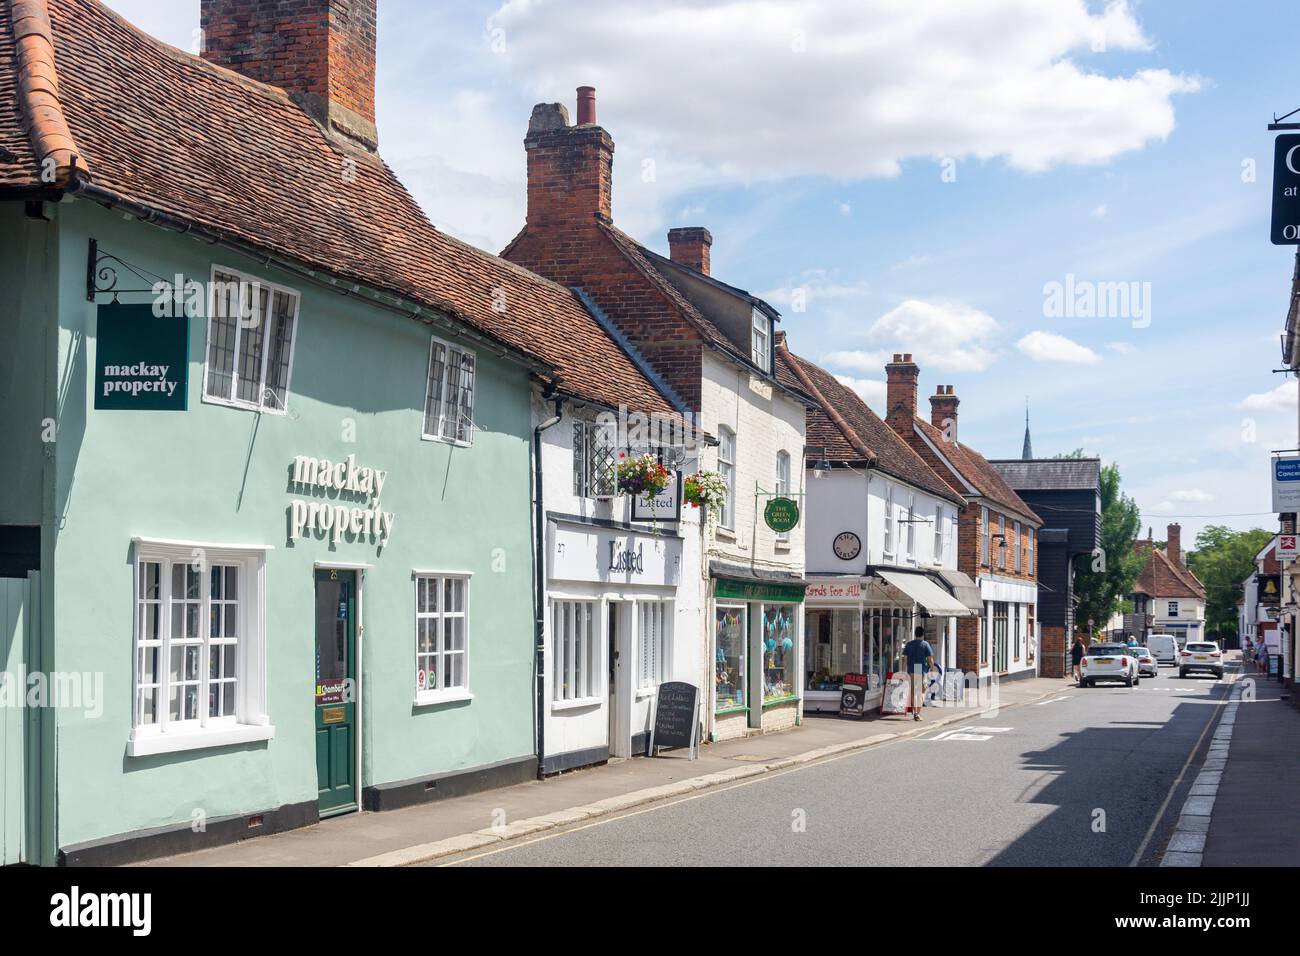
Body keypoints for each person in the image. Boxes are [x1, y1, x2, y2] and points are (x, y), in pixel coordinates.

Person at [902, 626, 935, 721]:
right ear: (923, 634)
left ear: (915, 634)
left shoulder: (909, 644)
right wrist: (932, 669)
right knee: (922, 692)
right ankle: (918, 713)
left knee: (913, 692)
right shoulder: (925, 644)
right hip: (920, 669)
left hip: (911, 669)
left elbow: (905, 659)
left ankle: (915, 711)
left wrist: (904, 671)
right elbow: (930, 659)